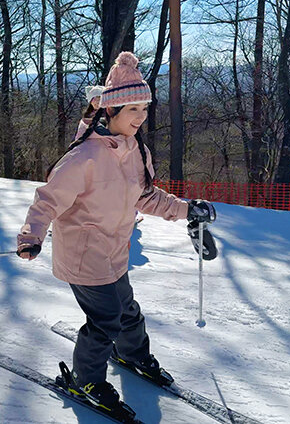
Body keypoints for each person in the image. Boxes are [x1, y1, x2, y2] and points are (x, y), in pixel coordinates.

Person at [16, 51, 216, 412]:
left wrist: (187, 209)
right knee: (105, 321)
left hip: (114, 254)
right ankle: (86, 380)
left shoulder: (137, 151)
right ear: (111, 112)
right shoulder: (82, 159)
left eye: (144, 109)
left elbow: (147, 197)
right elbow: (47, 201)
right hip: (84, 258)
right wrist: (30, 237)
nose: (140, 117)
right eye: (133, 110)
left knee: (128, 311)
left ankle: (133, 355)